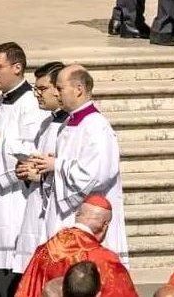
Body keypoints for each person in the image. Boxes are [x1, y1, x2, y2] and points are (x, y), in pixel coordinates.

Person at [34, 66, 128, 266]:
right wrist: (51, 165)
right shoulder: (69, 122)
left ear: (78, 89)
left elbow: (98, 174)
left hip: (84, 214)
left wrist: (57, 165)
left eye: (60, 88)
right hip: (64, 213)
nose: (56, 93)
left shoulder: (96, 126)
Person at [0, 43, 43, 297]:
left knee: (6, 267)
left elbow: (35, 147)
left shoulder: (31, 103)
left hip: (14, 196)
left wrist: (0, 146)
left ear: (17, 67)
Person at [14, 195, 137, 297]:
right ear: (105, 225)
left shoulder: (44, 249)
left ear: (77, 215)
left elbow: (28, 289)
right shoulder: (104, 259)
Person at [13, 62, 68, 276]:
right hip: (37, 205)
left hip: (60, 211)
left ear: (59, 88)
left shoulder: (75, 125)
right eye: (36, 88)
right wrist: (26, 169)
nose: (37, 94)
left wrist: (41, 175)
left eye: (42, 89)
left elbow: (83, 171)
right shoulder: (47, 124)